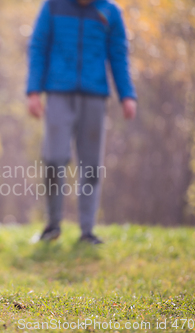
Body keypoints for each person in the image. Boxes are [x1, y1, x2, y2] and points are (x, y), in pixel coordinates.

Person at [26, 0, 137, 243]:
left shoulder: (110, 12)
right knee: (54, 158)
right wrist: (33, 91)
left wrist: (127, 94)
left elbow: (118, 55)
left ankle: (87, 231)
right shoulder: (53, 7)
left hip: (95, 95)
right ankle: (53, 225)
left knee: (91, 166)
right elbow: (38, 46)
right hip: (58, 92)